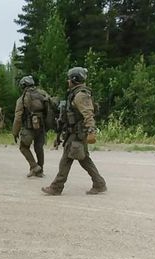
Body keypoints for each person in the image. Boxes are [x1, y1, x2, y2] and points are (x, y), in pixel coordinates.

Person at [42, 67, 107, 195]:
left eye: (69, 79)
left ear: (74, 79)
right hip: (75, 132)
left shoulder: (80, 95)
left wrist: (91, 130)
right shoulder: (76, 93)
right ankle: (99, 183)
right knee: (84, 159)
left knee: (66, 159)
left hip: (78, 133)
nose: (68, 81)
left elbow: (88, 114)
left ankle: (56, 187)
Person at [12, 75, 49, 177]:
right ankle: (40, 171)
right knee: (39, 148)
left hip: (28, 127)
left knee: (23, 147)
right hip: (42, 126)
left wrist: (15, 132)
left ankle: (34, 166)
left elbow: (18, 117)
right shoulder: (43, 94)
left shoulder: (22, 99)